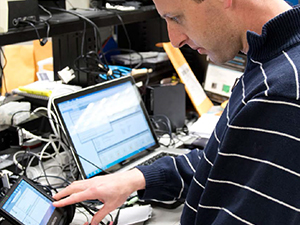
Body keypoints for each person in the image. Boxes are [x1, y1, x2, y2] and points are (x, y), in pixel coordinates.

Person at [53, 0, 300, 224]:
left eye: (176, 18)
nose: (174, 40)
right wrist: (137, 178)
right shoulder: (271, 61)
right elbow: (228, 164)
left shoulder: (281, 95)